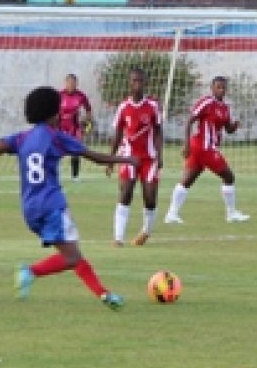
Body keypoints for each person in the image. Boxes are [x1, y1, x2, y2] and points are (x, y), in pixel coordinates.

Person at [0, 85, 136, 310]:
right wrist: (127, 160)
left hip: (30, 210)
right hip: (52, 206)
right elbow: (93, 156)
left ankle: (104, 294)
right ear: (54, 113)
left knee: (72, 252)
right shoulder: (56, 138)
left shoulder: (21, 138)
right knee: (71, 257)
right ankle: (29, 271)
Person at [165, 76, 249, 224]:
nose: (221, 90)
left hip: (204, 148)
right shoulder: (206, 102)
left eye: (223, 87)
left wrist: (234, 126)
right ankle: (231, 214)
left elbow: (228, 129)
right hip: (204, 147)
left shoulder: (225, 108)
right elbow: (190, 121)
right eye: (218, 87)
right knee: (229, 177)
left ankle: (171, 214)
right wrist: (186, 144)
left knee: (187, 180)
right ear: (212, 88)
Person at [106, 68, 164, 246]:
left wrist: (159, 156)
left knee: (150, 197)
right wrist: (111, 159)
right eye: (134, 81)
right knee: (126, 192)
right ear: (129, 83)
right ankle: (118, 238)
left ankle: (146, 231)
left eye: (140, 81)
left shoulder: (153, 106)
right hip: (128, 157)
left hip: (149, 158)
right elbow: (117, 133)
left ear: (145, 83)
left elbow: (158, 132)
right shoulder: (123, 107)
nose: (137, 84)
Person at [58, 74, 93, 181]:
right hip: (60, 127)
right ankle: (54, 173)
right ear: (65, 83)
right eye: (69, 83)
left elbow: (88, 110)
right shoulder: (59, 95)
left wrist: (87, 123)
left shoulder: (81, 96)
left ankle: (75, 176)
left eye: (74, 83)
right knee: (57, 150)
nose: (71, 85)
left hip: (74, 127)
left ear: (76, 84)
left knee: (75, 151)